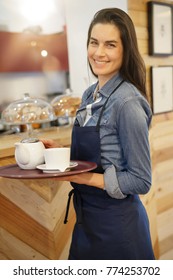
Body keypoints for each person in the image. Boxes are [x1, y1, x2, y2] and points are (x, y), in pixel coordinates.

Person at [42, 8, 155, 260]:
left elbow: (141, 180)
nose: (99, 52)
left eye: (110, 44)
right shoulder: (89, 94)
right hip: (87, 223)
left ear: (125, 50)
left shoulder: (127, 103)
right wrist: (60, 152)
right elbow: (101, 153)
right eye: (94, 42)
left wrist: (86, 179)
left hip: (118, 229)